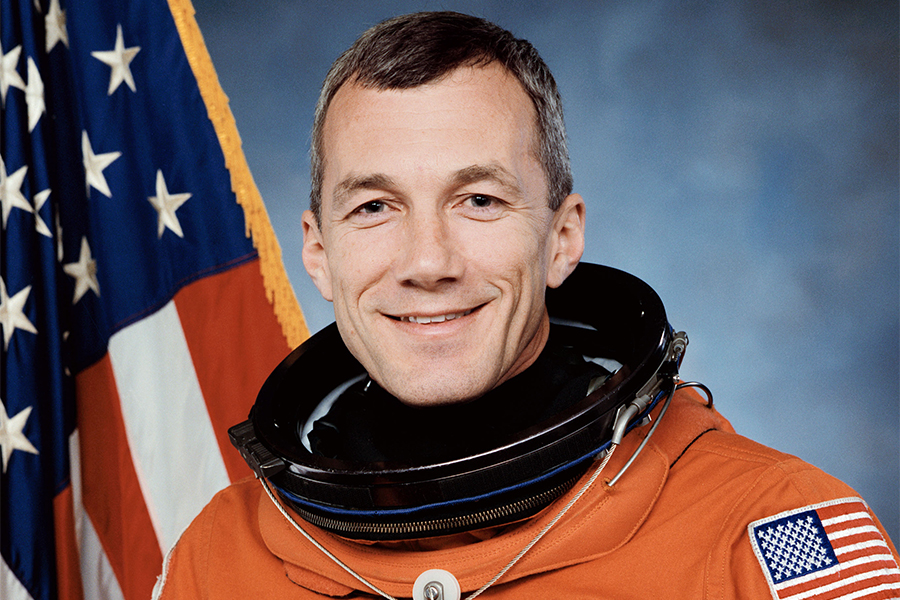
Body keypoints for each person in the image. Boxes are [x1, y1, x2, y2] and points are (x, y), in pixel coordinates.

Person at [154, 11, 899, 599]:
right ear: (318, 252)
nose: (427, 263)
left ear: (561, 238)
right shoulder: (219, 558)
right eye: (376, 207)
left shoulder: (772, 531)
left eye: (478, 200)